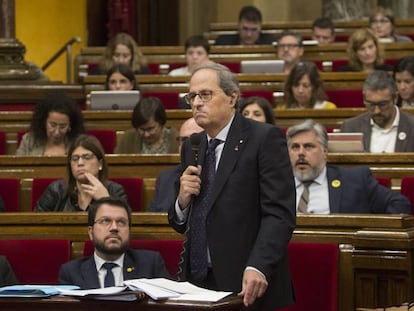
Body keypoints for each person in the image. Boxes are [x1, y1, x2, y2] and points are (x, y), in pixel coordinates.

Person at [168, 63, 296, 310]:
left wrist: (258, 265)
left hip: (247, 283)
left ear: (232, 98)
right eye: (192, 96)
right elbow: (178, 221)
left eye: (205, 95)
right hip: (198, 281)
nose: (196, 103)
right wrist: (182, 200)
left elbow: (279, 214)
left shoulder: (264, 138)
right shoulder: (192, 146)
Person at [286, 119, 411, 214]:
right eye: (295, 147)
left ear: (324, 152)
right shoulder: (274, 184)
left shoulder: (355, 180)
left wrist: (371, 236)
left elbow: (400, 204)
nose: (301, 153)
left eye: (308, 146)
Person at [59, 196, 170, 288]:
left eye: (121, 222)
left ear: (129, 230)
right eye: (105, 221)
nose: (114, 228)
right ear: (91, 232)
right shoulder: (71, 272)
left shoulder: (151, 264)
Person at [35, 134, 127, 212]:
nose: (80, 163)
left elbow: (122, 227)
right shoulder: (56, 191)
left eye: (87, 157)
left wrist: (105, 200)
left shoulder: (115, 191)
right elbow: (36, 225)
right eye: (75, 159)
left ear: (100, 164)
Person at [340, 70, 414, 153]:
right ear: (364, 99)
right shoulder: (351, 128)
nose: (376, 111)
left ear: (395, 98)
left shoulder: (412, 126)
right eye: (371, 104)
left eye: (382, 104)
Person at [148, 117, 203, 212]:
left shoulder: (219, 174)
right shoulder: (165, 178)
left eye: (194, 141)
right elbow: (153, 219)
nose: (188, 146)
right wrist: (181, 205)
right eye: (184, 140)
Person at [16, 91, 85, 156]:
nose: (57, 132)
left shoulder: (78, 142)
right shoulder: (29, 141)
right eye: (53, 125)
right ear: (44, 122)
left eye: (63, 127)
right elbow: (18, 166)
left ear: (70, 125)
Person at [115, 97, 179, 154]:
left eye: (150, 129)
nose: (146, 134)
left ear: (161, 123)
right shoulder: (128, 138)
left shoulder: (175, 138)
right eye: (142, 129)